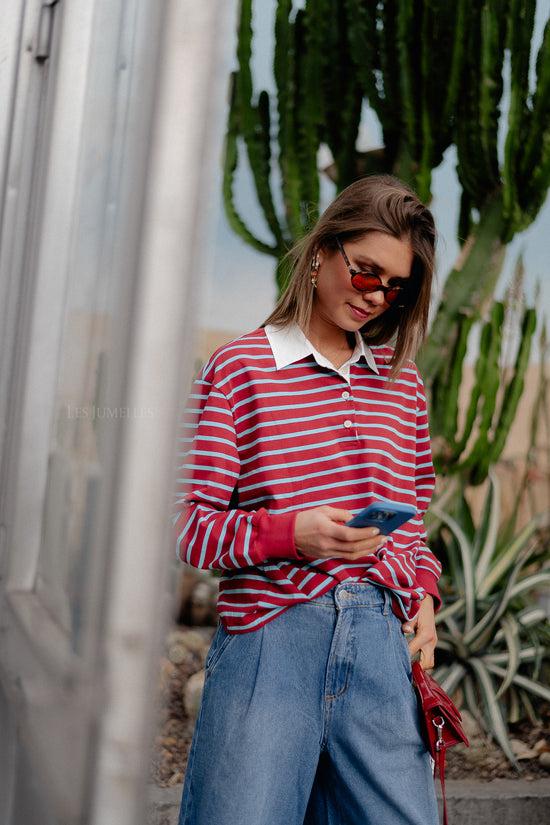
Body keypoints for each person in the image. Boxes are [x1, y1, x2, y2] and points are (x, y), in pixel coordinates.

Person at [173, 174, 443, 825]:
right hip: (272, 642)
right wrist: (293, 533)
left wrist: (424, 599)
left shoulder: (402, 386)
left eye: (395, 286)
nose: (375, 295)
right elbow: (188, 527)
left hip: (381, 643)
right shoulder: (239, 370)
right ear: (322, 251)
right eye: (366, 270)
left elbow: (413, 523)